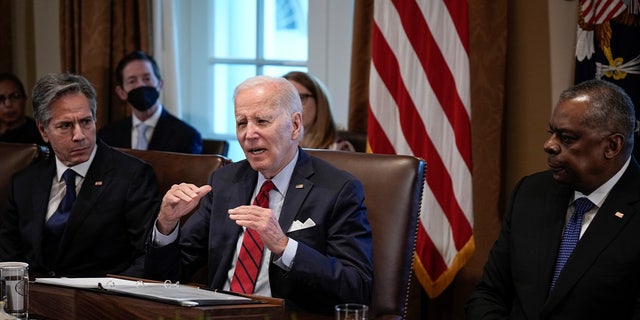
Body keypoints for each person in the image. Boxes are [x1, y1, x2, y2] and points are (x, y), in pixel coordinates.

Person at [145, 75, 373, 315]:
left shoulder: (337, 189)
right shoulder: (225, 182)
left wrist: (285, 247)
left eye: (262, 121)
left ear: (295, 125)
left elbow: (357, 287)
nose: (249, 134)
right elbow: (168, 277)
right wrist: (166, 225)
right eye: (242, 123)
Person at [466, 79, 640, 319]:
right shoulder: (530, 193)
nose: (549, 145)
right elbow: (489, 294)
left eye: (566, 138)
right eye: (551, 133)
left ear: (612, 146)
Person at [0, 73, 160, 277]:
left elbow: (147, 257)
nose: (79, 135)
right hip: (34, 299)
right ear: (43, 130)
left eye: (86, 122)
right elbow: (9, 258)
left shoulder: (132, 177)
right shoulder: (24, 183)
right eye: (65, 126)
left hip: (99, 300)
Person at [98, 50, 202, 154]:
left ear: (160, 85)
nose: (141, 85)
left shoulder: (187, 137)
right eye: (132, 81)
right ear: (121, 93)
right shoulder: (107, 136)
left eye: (147, 78)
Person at [283, 71, 355, 151]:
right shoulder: (275, 148)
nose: (294, 106)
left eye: (301, 97)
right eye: (287, 99)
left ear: (319, 102)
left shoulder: (340, 149)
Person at [0, 72, 45, 145]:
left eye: (15, 96)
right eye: (1, 98)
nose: (8, 104)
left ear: (25, 100)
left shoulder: (41, 133)